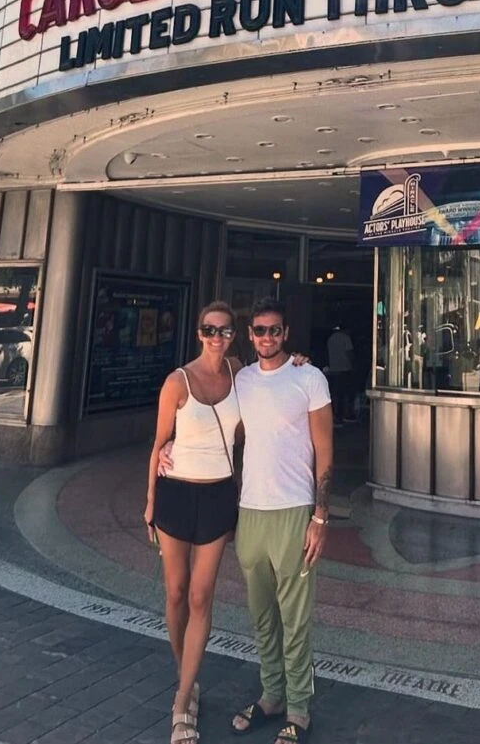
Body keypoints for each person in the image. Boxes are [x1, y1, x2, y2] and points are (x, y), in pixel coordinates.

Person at [160, 298, 333, 744]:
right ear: (250, 335)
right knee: (262, 616)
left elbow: (325, 450)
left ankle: (299, 708)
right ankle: (272, 695)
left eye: (275, 330)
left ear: (286, 333)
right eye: (259, 330)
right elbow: (205, 418)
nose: (267, 337)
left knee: (294, 618)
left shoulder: (309, 377)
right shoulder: (242, 377)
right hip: (250, 511)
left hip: (294, 510)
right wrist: (170, 446)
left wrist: (320, 515)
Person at [144, 301, 243, 744]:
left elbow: (276, 377)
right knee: (176, 591)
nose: (217, 337)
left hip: (218, 494)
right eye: (209, 329)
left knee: (202, 596)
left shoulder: (240, 374)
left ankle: (183, 700)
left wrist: (298, 360)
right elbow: (159, 443)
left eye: (225, 330)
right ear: (199, 333)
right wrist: (150, 502)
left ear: (234, 335)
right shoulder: (177, 382)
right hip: (176, 493)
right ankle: (186, 674)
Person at [325, 322, 354, 426]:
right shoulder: (346, 338)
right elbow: (349, 353)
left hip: (334, 368)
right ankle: (346, 414)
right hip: (345, 368)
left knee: (335, 393)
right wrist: (352, 365)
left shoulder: (331, 339)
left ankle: (336, 415)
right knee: (346, 393)